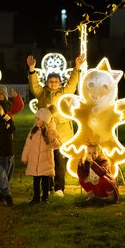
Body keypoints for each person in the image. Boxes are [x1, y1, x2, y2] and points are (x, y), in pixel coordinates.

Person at [27, 54, 85, 197]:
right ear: (46, 82)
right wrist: (32, 70)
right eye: (50, 81)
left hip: (61, 135)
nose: (53, 83)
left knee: (59, 162)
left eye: (55, 81)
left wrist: (77, 67)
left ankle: (59, 188)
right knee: (46, 162)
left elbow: (72, 83)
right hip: (45, 134)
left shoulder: (64, 92)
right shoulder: (41, 93)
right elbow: (34, 86)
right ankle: (48, 186)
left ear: (59, 82)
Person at [21, 105, 61, 204]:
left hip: (45, 161)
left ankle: (45, 197)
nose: (36, 120)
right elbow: (28, 144)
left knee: (45, 181)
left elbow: (58, 145)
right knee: (36, 180)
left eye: (38, 118)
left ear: (44, 120)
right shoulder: (33, 131)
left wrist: (52, 139)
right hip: (35, 161)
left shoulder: (50, 132)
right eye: (35, 118)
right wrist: (25, 157)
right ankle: (36, 197)